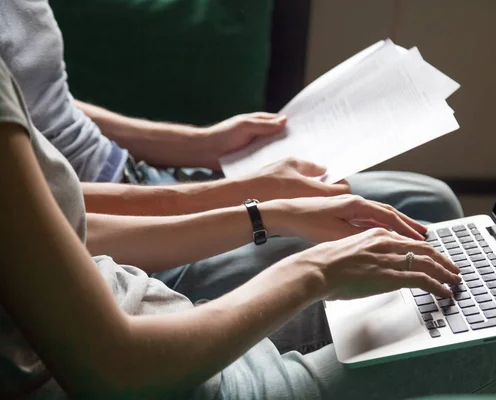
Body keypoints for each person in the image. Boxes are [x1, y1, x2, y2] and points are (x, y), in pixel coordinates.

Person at [2, 55, 496, 400]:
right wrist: (312, 269)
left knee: (444, 245)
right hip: (209, 378)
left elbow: (73, 228)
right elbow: (116, 371)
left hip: (177, 323)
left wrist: (270, 214)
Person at [0, 0, 463, 331]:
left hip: (139, 180)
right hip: (114, 243)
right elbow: (55, 214)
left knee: (430, 200)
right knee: (407, 251)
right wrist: (257, 205)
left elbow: (45, 102)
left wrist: (202, 145)